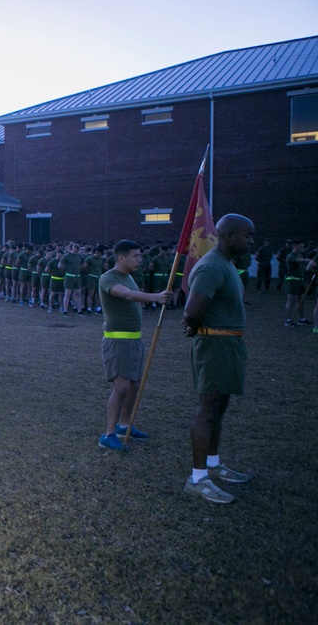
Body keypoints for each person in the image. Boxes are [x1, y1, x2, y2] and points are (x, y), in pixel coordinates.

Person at [181, 214, 255, 504]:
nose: (251, 241)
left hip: (227, 343)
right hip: (214, 345)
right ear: (228, 236)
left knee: (219, 408)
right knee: (207, 409)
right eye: (246, 236)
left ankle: (213, 463)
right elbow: (192, 309)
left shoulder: (226, 265)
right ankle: (198, 479)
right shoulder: (212, 266)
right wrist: (196, 327)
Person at [96, 241, 173, 452]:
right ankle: (108, 434)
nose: (140, 260)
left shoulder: (129, 277)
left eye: (140, 256)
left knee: (134, 387)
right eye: (136, 256)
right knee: (121, 388)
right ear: (121, 257)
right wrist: (155, 297)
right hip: (117, 340)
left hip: (134, 339)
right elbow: (127, 295)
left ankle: (124, 425)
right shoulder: (108, 278)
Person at [283, 240, 313, 326]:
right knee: (291, 301)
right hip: (292, 280)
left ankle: (302, 319)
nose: (302, 248)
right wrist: (313, 261)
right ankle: (288, 320)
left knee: (302, 300)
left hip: (300, 280)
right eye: (300, 246)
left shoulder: (300, 255)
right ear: (295, 246)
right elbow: (302, 261)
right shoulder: (291, 256)